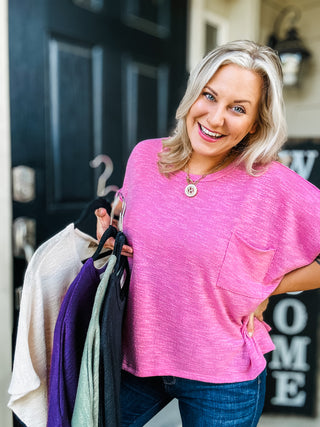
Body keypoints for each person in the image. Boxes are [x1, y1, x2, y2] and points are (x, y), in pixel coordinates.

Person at [95, 40, 320, 426]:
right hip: (133, 356)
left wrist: (263, 287)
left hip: (222, 375)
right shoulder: (146, 158)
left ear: (256, 122)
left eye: (238, 108)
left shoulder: (271, 184)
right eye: (209, 96)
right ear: (193, 93)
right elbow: (141, 232)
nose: (216, 118)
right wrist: (115, 238)